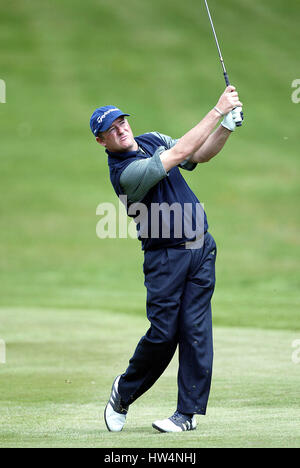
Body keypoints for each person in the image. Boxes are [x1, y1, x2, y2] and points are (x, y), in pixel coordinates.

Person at [90, 86, 243, 433]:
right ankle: (123, 392)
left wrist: (226, 128)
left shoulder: (151, 138)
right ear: (102, 142)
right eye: (112, 129)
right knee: (163, 335)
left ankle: (185, 415)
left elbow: (198, 155)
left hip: (202, 249)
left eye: (121, 121)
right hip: (165, 259)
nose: (121, 129)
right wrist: (218, 109)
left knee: (196, 332)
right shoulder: (125, 174)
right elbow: (179, 153)